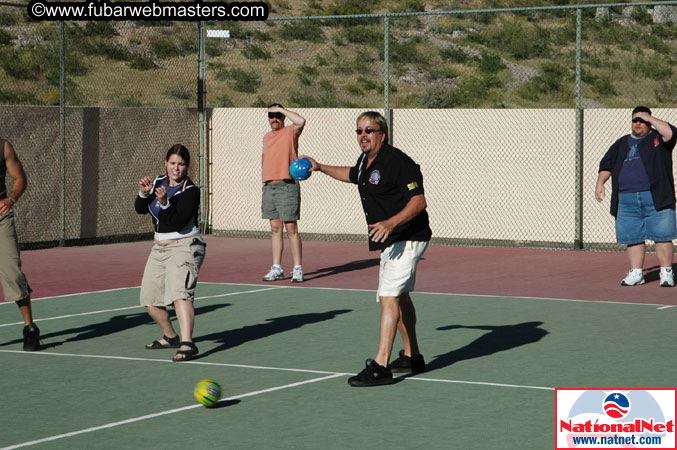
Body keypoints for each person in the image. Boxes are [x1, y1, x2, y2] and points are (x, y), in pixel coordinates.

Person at [303, 111, 432, 387]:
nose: (363, 135)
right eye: (359, 130)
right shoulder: (365, 161)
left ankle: (381, 365)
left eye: (369, 130)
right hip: (392, 238)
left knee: (388, 297)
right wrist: (320, 166)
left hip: (407, 236)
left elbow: (418, 201)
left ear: (381, 134)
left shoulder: (398, 161)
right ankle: (412, 356)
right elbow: (352, 175)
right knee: (400, 296)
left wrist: (391, 222)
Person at [135, 144, 207, 362]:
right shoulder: (158, 182)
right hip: (159, 247)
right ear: (166, 164)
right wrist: (144, 193)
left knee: (180, 294)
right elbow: (140, 208)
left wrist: (165, 202)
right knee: (150, 299)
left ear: (187, 167)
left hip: (185, 245)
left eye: (181, 164)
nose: (176, 168)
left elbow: (176, 222)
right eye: (173, 163)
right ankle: (170, 336)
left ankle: (188, 343)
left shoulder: (191, 191)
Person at [596, 106, 677, 287]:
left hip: (657, 197)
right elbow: (606, 164)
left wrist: (650, 118)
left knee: (663, 236)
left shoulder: (658, 139)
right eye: (635, 120)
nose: (638, 123)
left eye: (642, 120)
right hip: (626, 199)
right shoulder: (621, 143)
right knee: (632, 238)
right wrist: (600, 183)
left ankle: (666, 273)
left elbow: (671, 133)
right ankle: (636, 273)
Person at [0, 138, 40, 351]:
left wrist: (11, 199)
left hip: (1, 219)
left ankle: (30, 329)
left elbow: (19, 178)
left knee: (13, 274)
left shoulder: (3, 146)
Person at [261, 104, 306, 283]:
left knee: (291, 228)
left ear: (283, 117)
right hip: (269, 187)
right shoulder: (266, 137)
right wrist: (264, 182)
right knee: (275, 229)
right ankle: (277, 268)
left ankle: (298, 268)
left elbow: (301, 121)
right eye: (271, 115)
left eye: (277, 115)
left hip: (287, 186)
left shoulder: (290, 132)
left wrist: (282, 109)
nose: (274, 119)